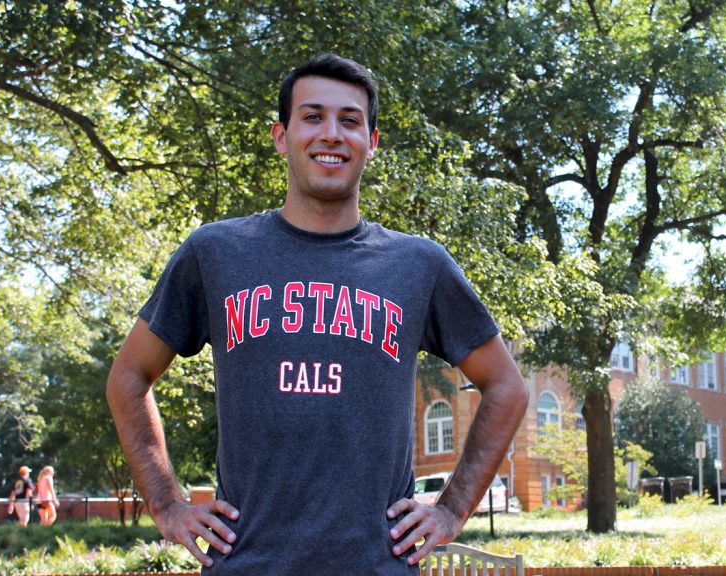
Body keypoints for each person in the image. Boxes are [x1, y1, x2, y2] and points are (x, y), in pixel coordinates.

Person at [107, 53, 527, 575]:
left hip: (379, 565)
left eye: (350, 121)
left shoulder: (420, 265)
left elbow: (508, 386)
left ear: (371, 144)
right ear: (281, 136)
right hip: (247, 565)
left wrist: (452, 507)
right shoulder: (214, 253)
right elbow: (128, 375)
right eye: (313, 117)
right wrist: (167, 504)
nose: (331, 133)